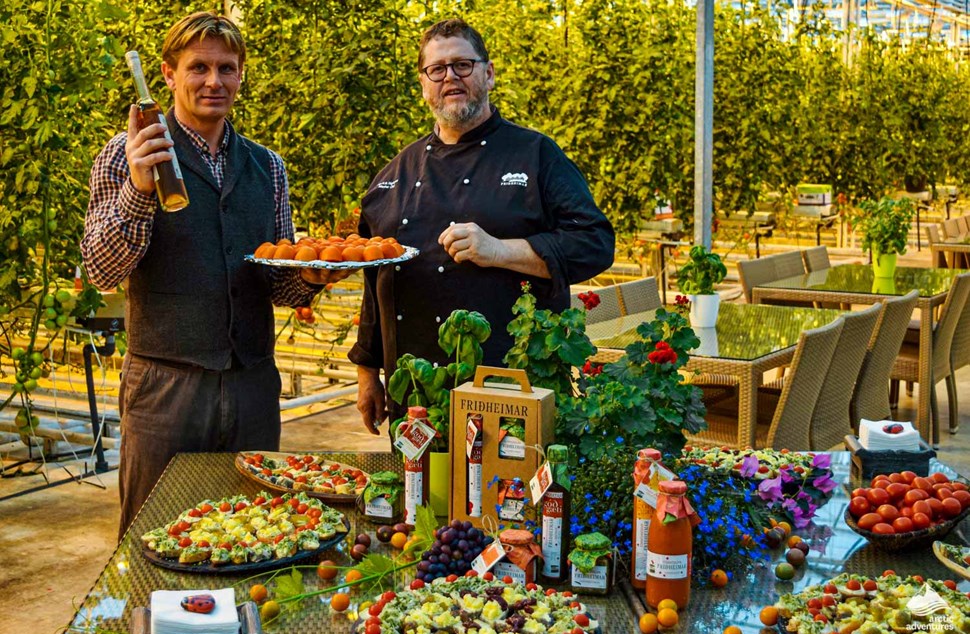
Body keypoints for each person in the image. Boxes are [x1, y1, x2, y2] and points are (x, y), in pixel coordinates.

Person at [81, 12, 346, 538]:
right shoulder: (128, 153)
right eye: (197, 67)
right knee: (153, 536)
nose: (212, 81)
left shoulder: (267, 167)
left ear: (241, 76)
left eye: (226, 68)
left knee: (257, 532)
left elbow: (278, 285)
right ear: (168, 73)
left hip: (251, 384)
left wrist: (313, 277)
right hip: (166, 389)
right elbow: (102, 268)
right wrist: (138, 189)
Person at [349, 18, 615, 434]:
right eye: (437, 69)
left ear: (488, 74)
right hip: (415, 391)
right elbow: (375, 278)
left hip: (511, 390)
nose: (449, 77)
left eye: (462, 65)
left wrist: (500, 250)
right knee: (419, 495)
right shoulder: (396, 172)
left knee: (502, 497)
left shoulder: (536, 154)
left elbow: (594, 242)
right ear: (423, 84)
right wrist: (367, 369)